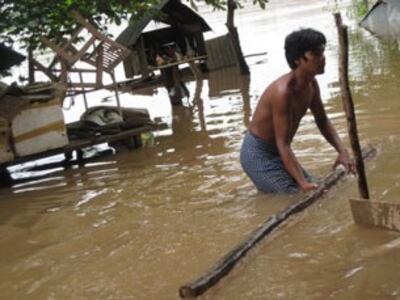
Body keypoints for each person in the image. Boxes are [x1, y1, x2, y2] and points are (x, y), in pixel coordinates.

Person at [240, 28, 354, 194]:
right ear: (298, 60)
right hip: (258, 153)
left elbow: (322, 120)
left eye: (322, 52)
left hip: (279, 149)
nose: (322, 58)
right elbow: (283, 143)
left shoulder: (311, 85)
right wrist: (302, 183)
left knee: (316, 188)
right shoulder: (283, 93)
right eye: (316, 53)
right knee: (294, 194)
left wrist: (342, 151)